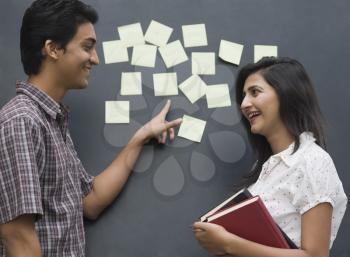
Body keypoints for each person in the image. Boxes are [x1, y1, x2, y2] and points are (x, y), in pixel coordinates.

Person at [0, 0, 182, 257]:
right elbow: (18, 237)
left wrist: (140, 137)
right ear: (53, 49)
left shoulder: (51, 121)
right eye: (87, 47)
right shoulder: (21, 121)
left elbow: (90, 201)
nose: (95, 59)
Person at [193, 57, 347, 257]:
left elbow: (316, 256)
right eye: (243, 96)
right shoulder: (266, 167)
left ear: (286, 94)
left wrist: (229, 244)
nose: (245, 104)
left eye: (255, 92)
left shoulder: (313, 161)